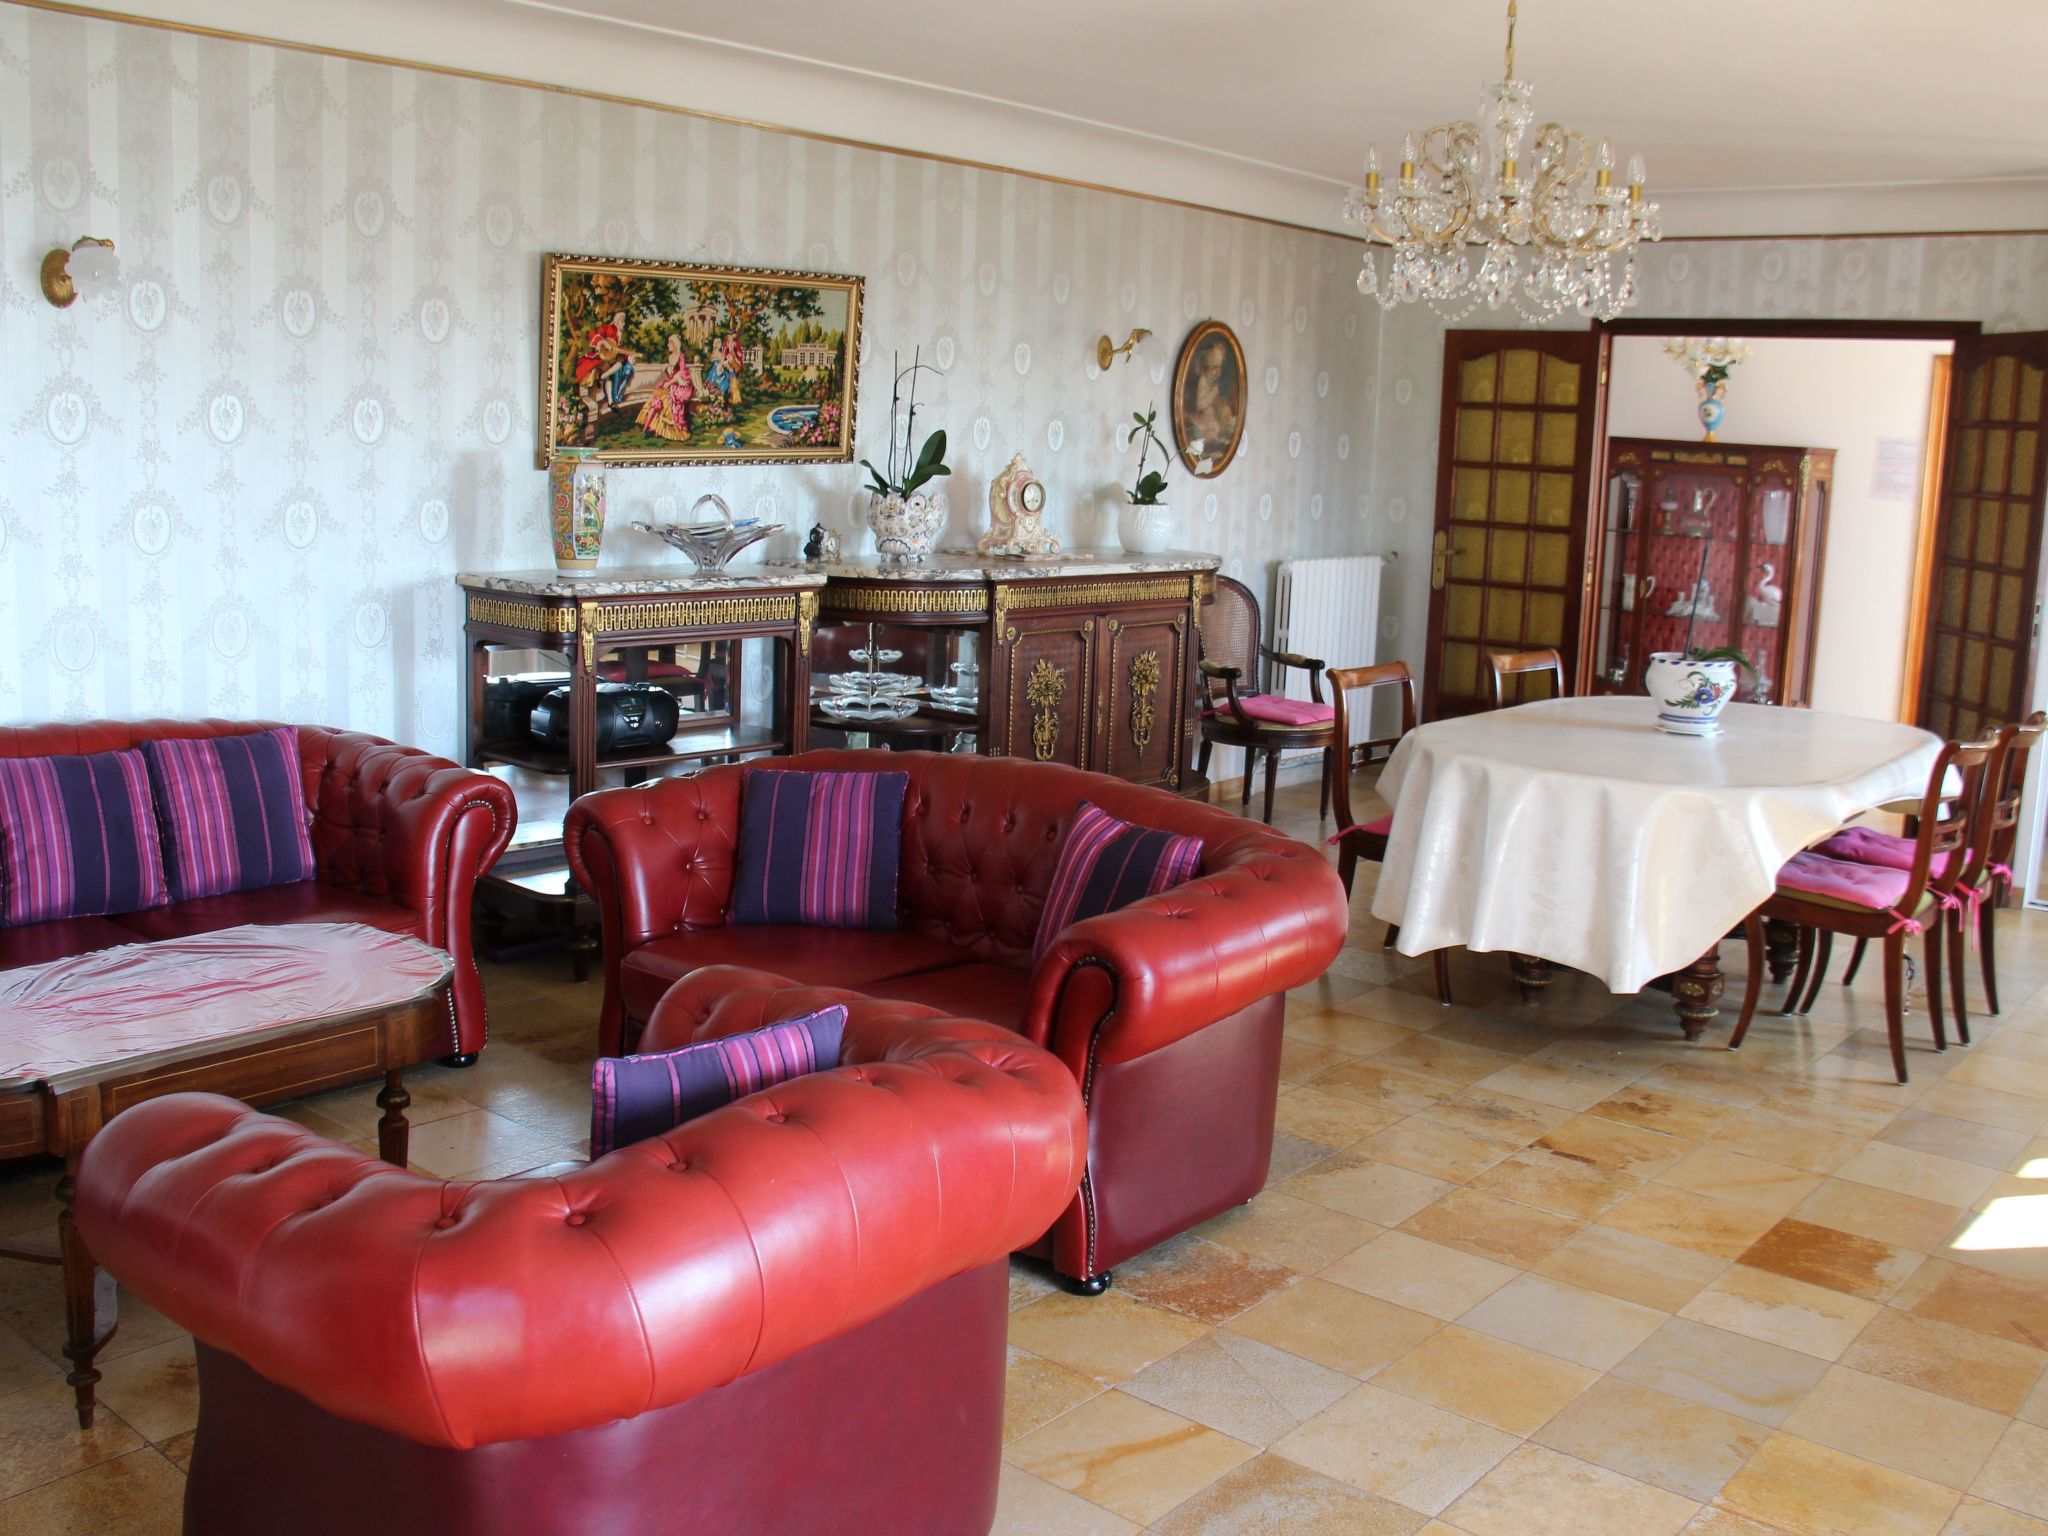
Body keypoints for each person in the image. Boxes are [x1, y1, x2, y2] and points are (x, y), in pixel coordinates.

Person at [1182, 335, 1239, 466]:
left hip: (1209, 413)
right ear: (1206, 367)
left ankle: (1214, 445)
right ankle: (1210, 446)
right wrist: (1213, 394)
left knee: (1219, 423)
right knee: (1213, 426)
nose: (1217, 372)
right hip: (1202, 414)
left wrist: (1220, 403)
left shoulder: (1210, 381)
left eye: (1219, 368)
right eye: (1214, 368)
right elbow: (1201, 403)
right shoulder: (1202, 380)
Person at [635, 332, 695, 441]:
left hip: (679, 384)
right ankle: (651, 427)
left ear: (675, 344)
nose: (667, 345)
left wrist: (670, 382)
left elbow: (680, 373)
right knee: (657, 398)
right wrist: (667, 367)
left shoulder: (681, 356)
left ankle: (664, 428)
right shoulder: (670, 357)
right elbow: (671, 373)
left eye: (669, 343)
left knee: (669, 400)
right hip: (671, 382)